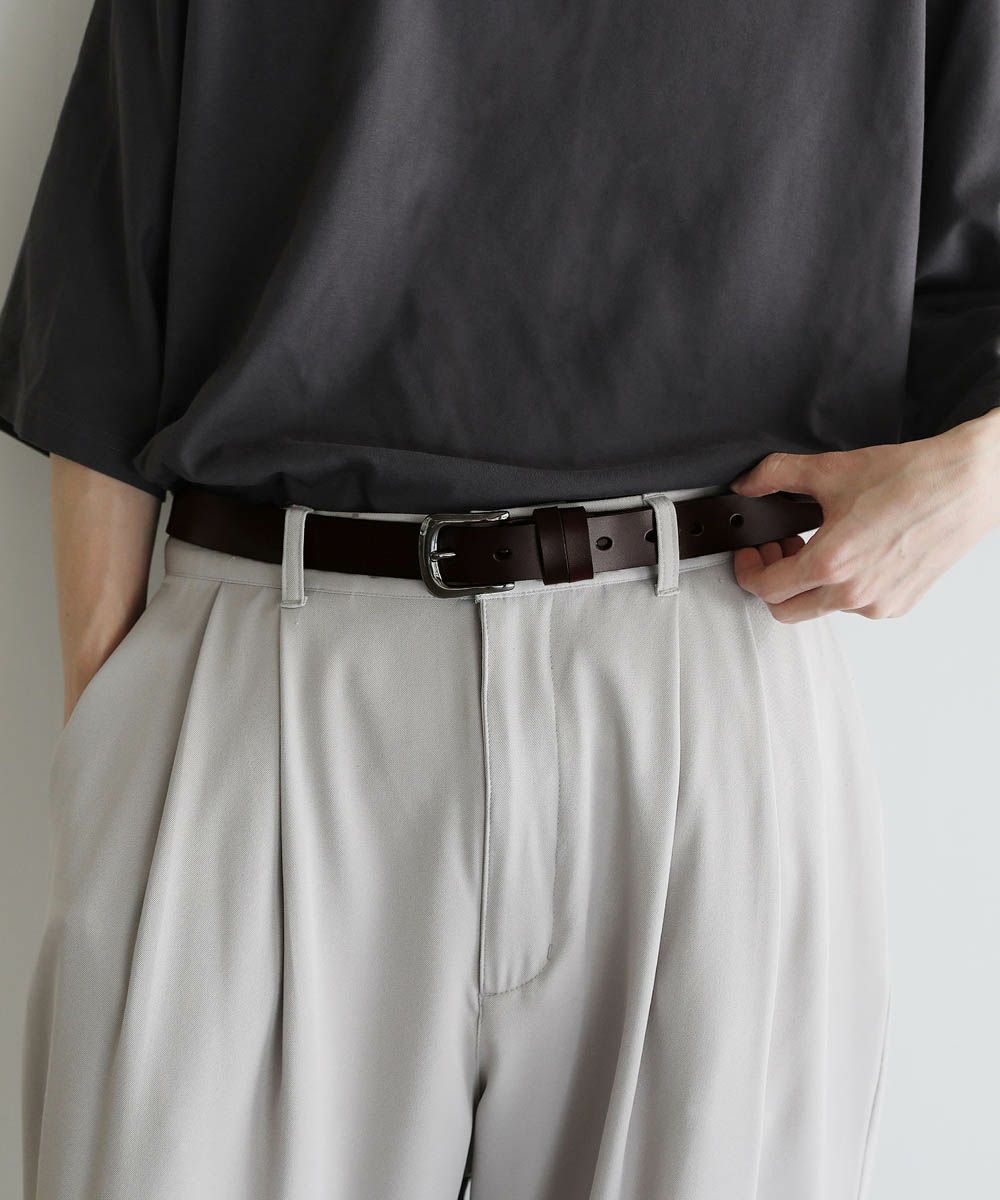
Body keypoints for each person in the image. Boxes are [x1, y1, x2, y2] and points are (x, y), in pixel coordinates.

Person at [1, 0, 998, 1197]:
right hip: (268, 684)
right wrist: (107, 751)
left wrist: (976, 473)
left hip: (715, 671)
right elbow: (105, 297)